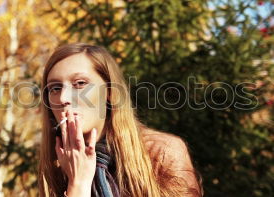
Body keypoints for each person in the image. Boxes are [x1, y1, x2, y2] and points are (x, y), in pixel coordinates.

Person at [38, 43, 203, 197]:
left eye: (80, 83)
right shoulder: (56, 167)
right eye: (55, 88)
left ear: (110, 92)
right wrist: (78, 184)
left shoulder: (161, 153)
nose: (63, 97)